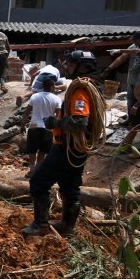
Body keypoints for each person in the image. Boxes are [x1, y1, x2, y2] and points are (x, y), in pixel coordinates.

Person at [23, 50, 104, 237]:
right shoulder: (92, 87)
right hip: (77, 149)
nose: (66, 67)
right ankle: (67, 227)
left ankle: (40, 224)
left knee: (38, 181)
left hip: (67, 146)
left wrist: (55, 123)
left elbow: (79, 122)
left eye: (70, 63)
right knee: (70, 186)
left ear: (81, 66)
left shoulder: (81, 91)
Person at [20, 75, 62, 177]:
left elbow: (26, 112)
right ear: (52, 87)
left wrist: (22, 125)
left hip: (34, 127)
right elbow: (58, 116)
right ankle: (38, 170)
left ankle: (31, 171)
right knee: (43, 151)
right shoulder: (57, 99)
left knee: (32, 150)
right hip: (48, 129)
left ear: (43, 86)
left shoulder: (35, 96)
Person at [104, 31, 140, 116]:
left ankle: (139, 125)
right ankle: (130, 121)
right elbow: (122, 58)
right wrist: (109, 68)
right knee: (130, 103)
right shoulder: (133, 46)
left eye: (136, 41)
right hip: (131, 81)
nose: (134, 43)